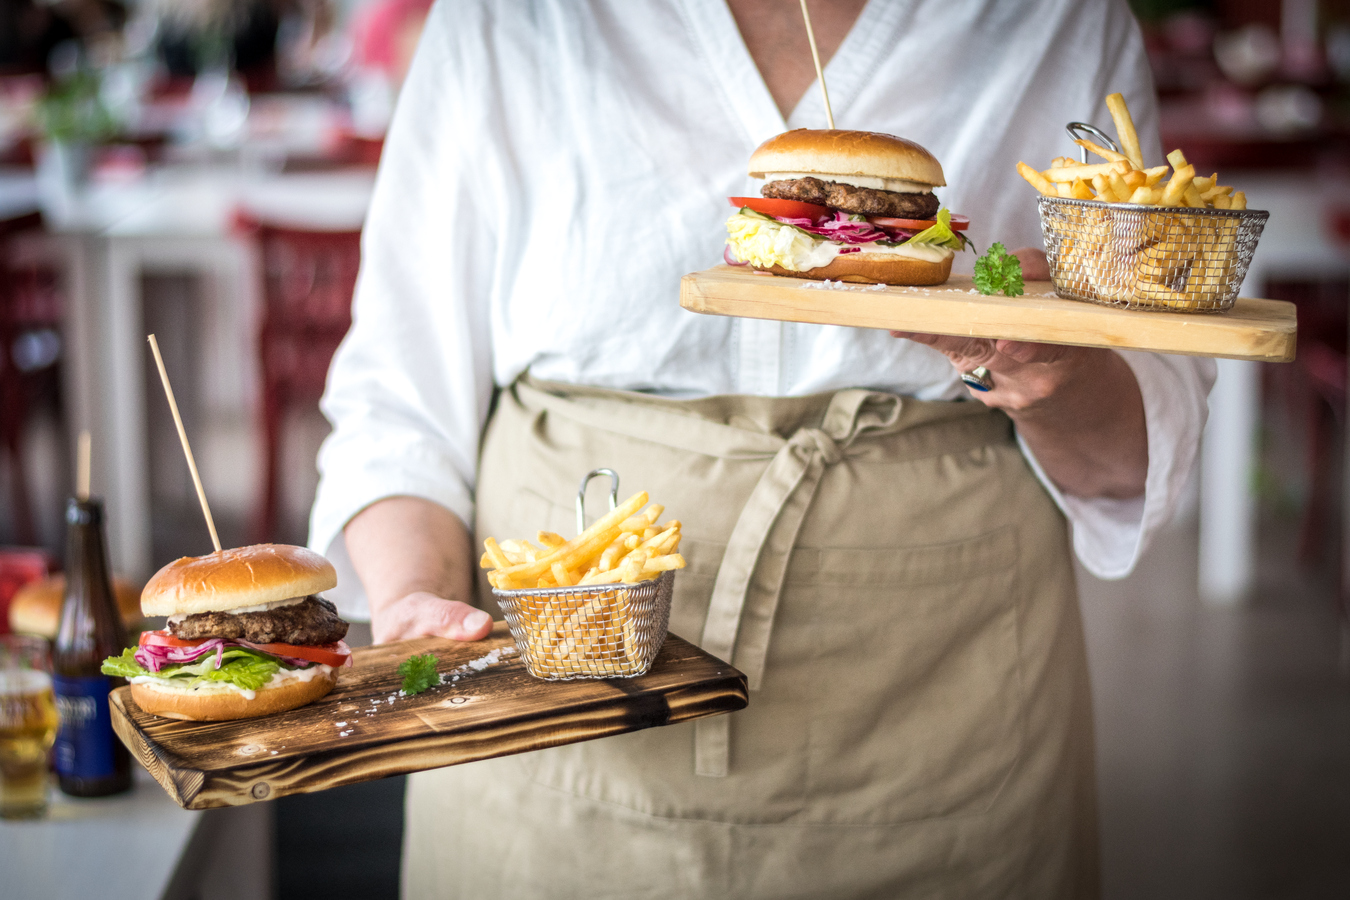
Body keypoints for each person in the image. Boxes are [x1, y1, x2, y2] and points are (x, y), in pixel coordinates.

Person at [310, 1, 1214, 896]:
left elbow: (1126, 463)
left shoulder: (1060, 20)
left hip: (950, 702)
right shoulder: (506, 20)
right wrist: (414, 600)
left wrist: (1055, 377)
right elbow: (401, 396)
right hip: (554, 683)